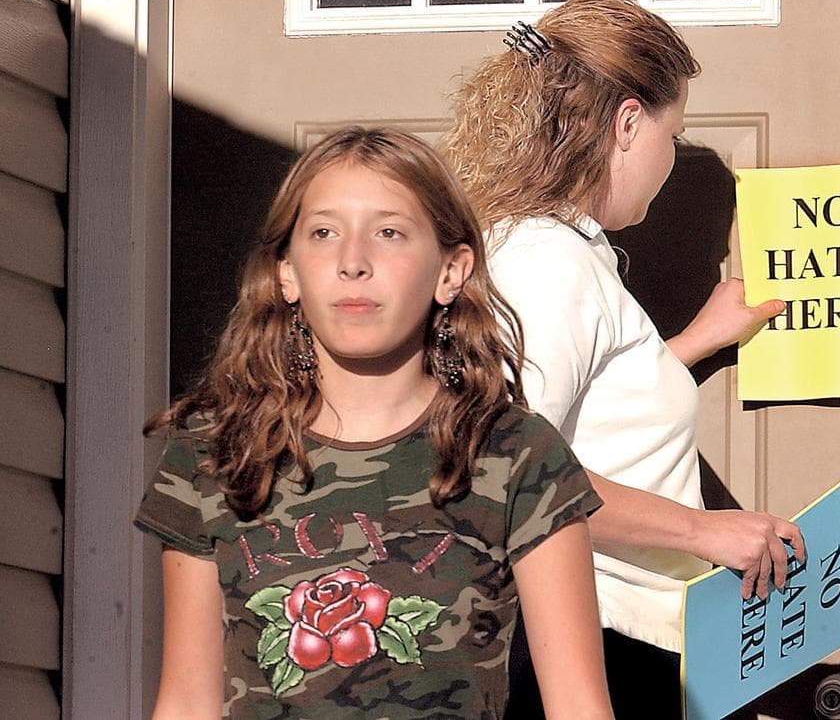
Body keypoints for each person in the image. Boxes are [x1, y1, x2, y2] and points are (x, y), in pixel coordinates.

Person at [135, 127, 614, 719]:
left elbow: (578, 705)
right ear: (287, 272)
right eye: (324, 233)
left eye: (389, 233)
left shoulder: (515, 454)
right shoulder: (215, 453)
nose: (352, 262)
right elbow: (186, 701)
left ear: (451, 270)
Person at [442, 0, 806, 718]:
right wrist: (708, 530)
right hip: (582, 641)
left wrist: (690, 344)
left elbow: (574, 418)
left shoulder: (556, 251)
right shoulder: (548, 259)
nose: (671, 159)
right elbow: (503, 469)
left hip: (604, 635)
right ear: (629, 122)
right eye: (675, 134)